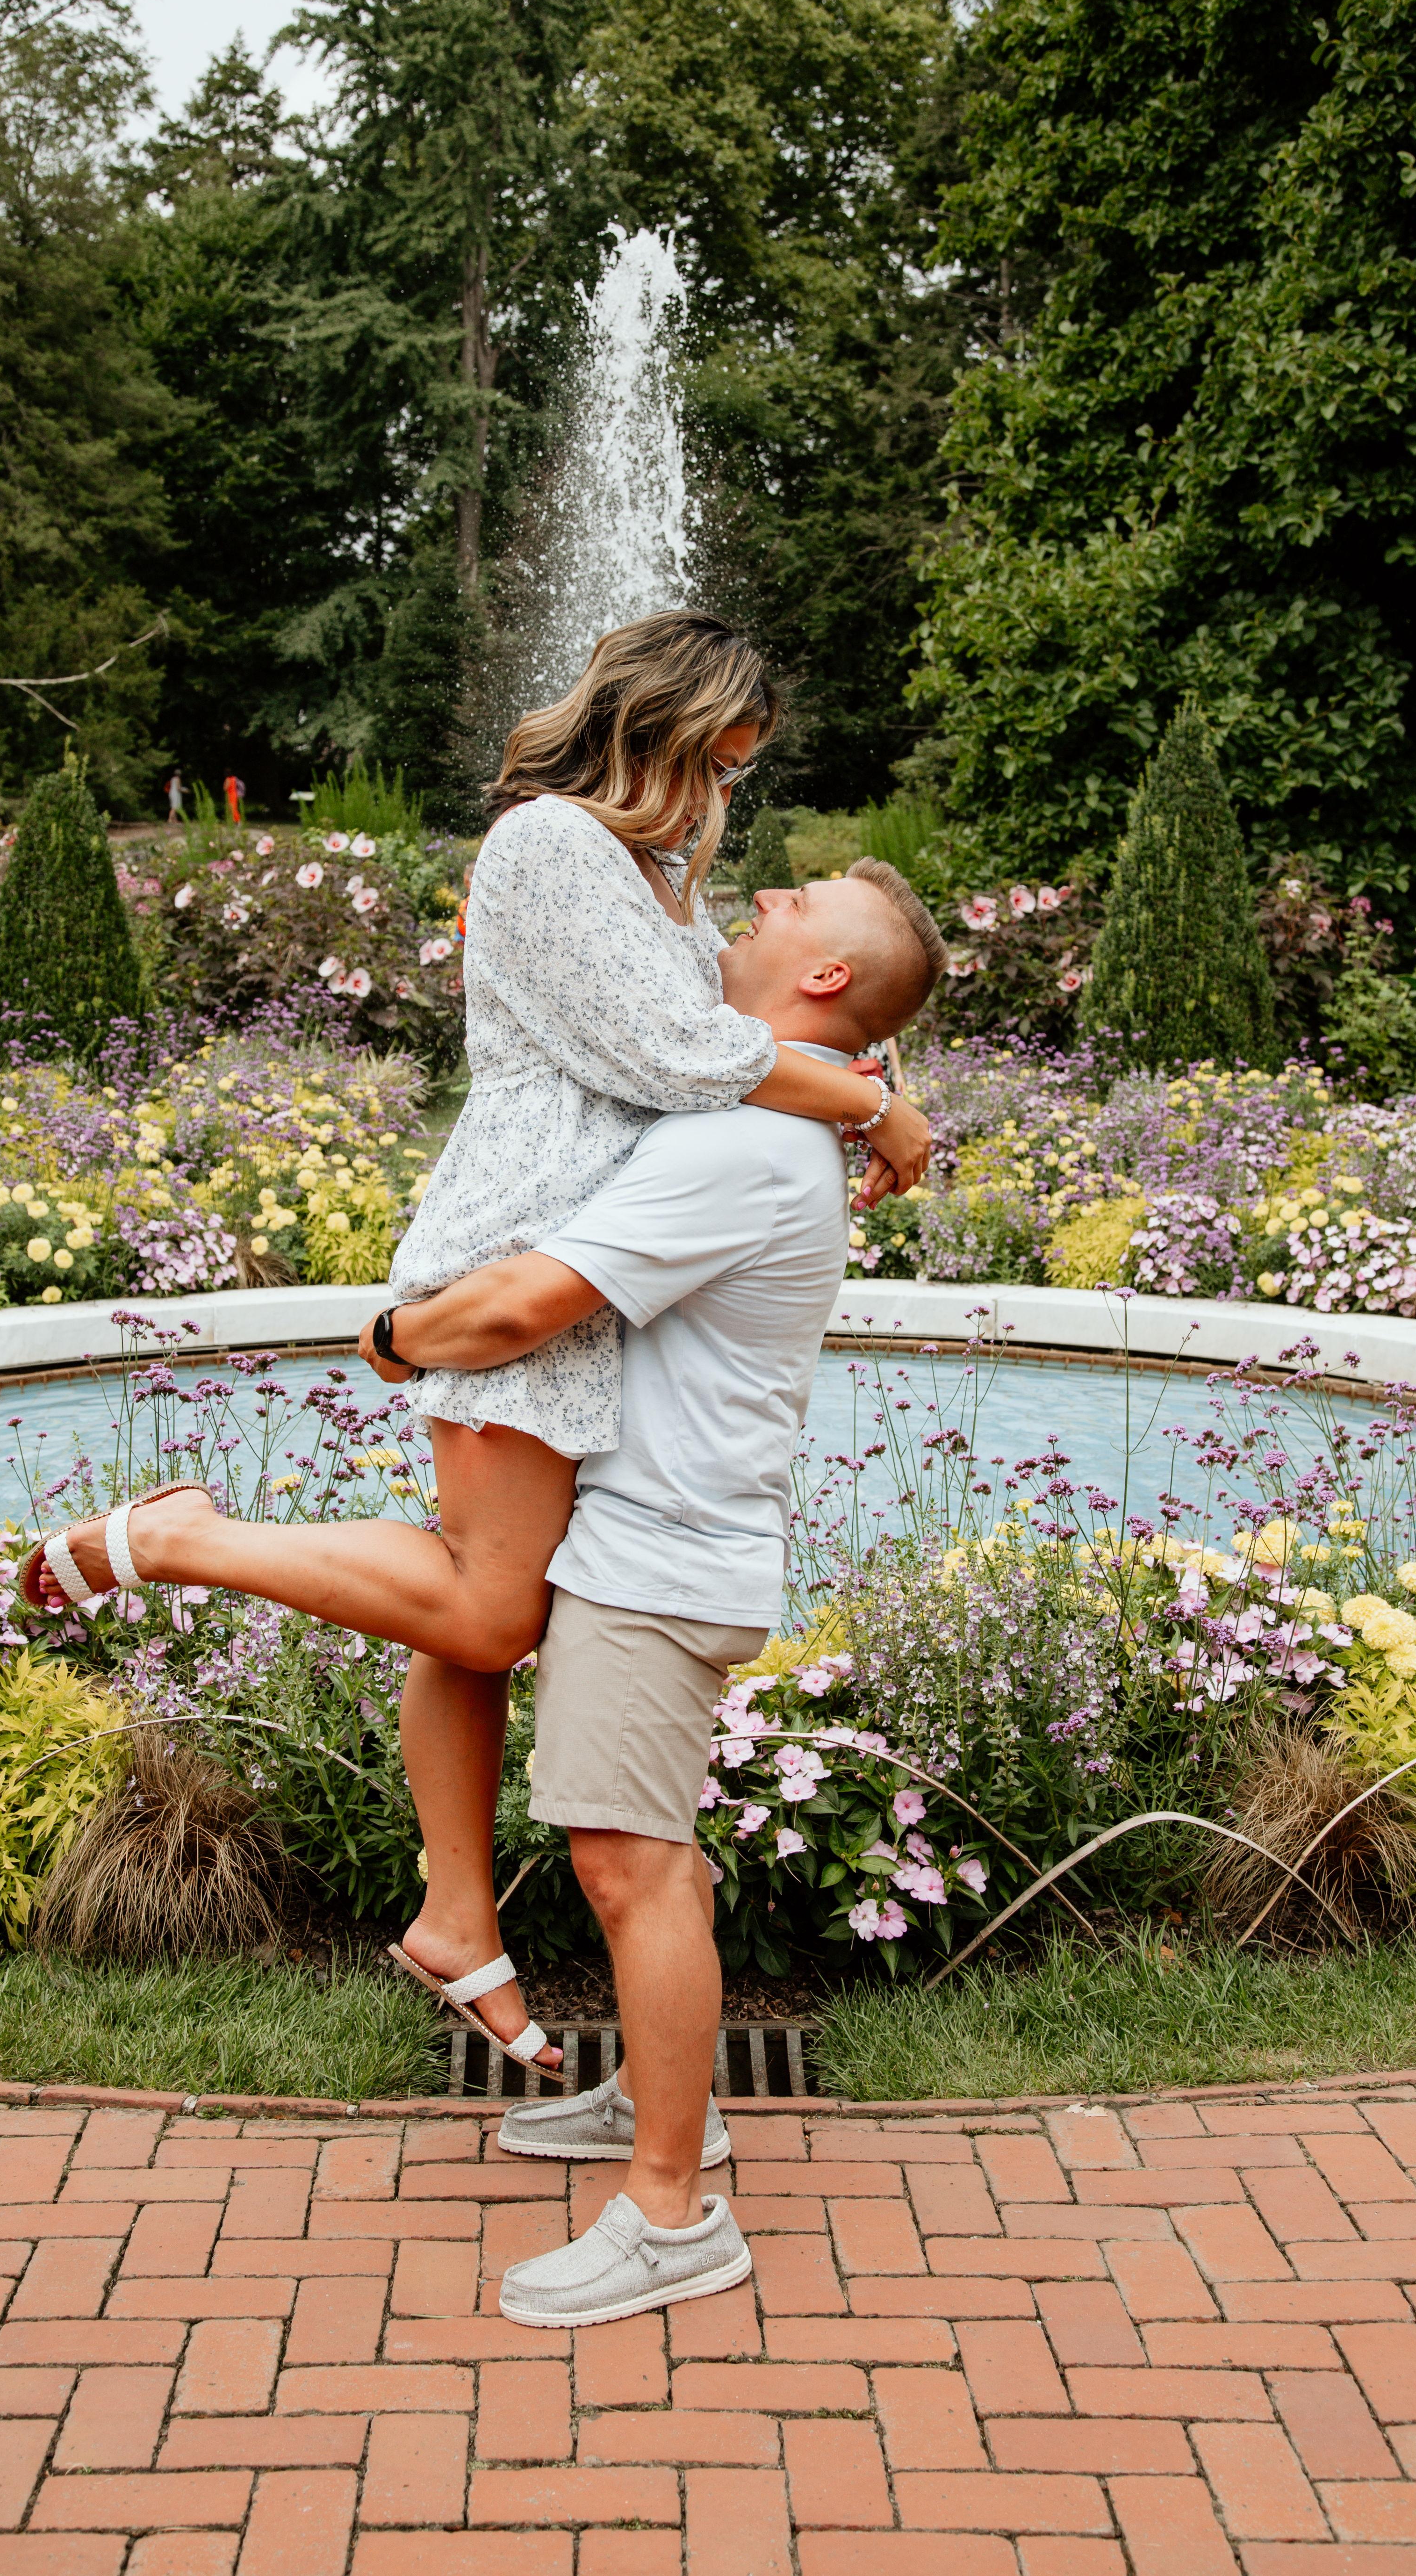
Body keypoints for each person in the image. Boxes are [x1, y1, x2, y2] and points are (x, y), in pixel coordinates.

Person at [19, 613, 931, 2077]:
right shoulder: (551, 846)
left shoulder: (650, 877)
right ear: (665, 730)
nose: (729, 804)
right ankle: (185, 1539)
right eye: (724, 765)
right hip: (523, 1252)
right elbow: (679, 1056)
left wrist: (867, 1078)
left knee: (473, 1609)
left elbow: (774, 1005)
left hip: (584, 1263)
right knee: (491, 1608)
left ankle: (456, 1914)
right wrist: (868, 1105)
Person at [348, 856, 950, 2322]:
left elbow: (526, 1306)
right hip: (663, 1539)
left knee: (633, 1867)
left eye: (796, 904)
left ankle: (675, 2213)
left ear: (821, 980)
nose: (765, 899)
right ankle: (654, 2111)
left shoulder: (736, 1153)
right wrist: (882, 1102)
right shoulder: (759, 1113)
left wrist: (390, 1338)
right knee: (639, 1848)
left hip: (659, 1554)